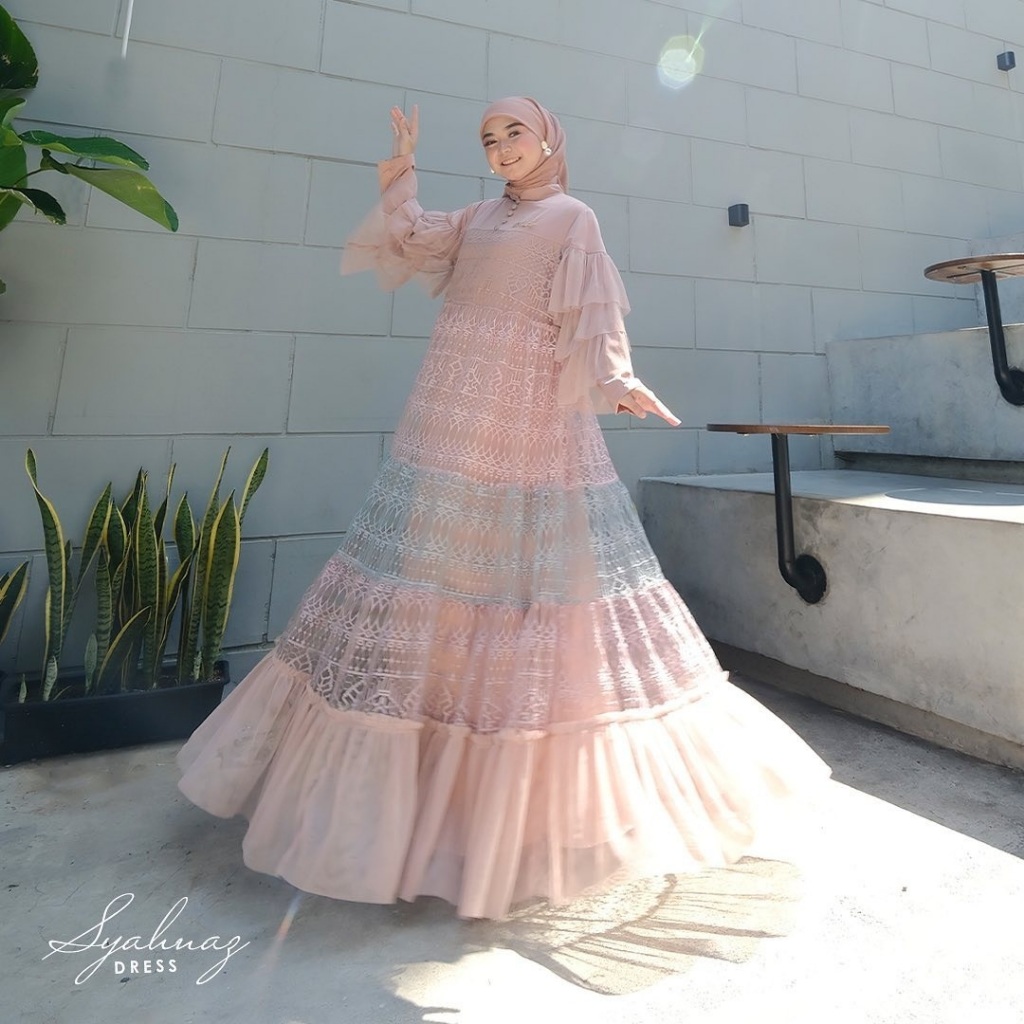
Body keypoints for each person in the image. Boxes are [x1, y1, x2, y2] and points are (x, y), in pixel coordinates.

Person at [177, 97, 830, 920]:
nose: (501, 148)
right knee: (437, 576)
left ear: (548, 137)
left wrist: (619, 381)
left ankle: (525, 814)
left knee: (529, 591)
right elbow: (409, 236)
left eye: (514, 132)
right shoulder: (478, 218)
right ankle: (415, 805)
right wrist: (403, 163)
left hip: (527, 417)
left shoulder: (573, 218)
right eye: (489, 139)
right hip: (451, 414)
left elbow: (592, 316)